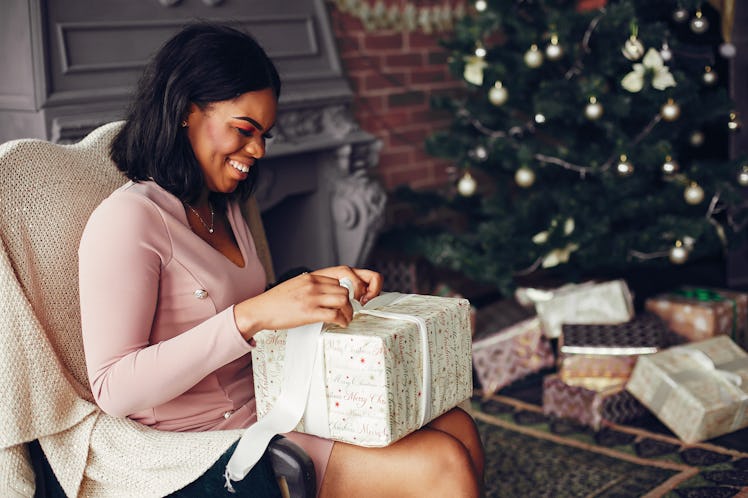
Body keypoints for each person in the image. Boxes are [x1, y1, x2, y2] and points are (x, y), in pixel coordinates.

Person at [78, 23, 484, 497]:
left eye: (264, 134)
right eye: (245, 130)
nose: (258, 150)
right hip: (200, 443)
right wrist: (252, 315)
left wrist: (310, 286)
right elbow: (113, 389)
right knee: (442, 464)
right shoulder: (128, 220)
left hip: (274, 401)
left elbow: (240, 308)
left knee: (458, 425)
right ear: (186, 110)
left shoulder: (222, 204)